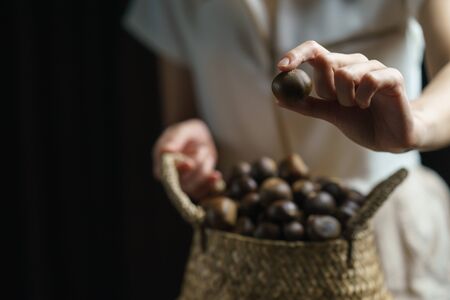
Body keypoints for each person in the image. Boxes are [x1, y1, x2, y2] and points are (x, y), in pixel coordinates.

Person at [124, 0, 450, 298]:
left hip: (382, 231)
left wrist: (416, 121)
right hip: (245, 240)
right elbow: (181, 114)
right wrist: (190, 150)